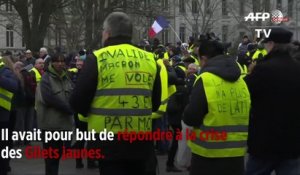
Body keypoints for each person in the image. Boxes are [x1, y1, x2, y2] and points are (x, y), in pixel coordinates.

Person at [70, 12, 161, 175]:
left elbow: (77, 101)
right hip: (140, 142)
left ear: (108, 33)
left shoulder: (97, 58)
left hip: (107, 144)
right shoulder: (150, 59)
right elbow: (155, 103)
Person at [183, 34, 251, 175]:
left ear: (204, 58)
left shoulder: (205, 79)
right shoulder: (241, 81)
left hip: (207, 157)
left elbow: (191, 117)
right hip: (236, 157)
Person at [245, 27, 300, 175]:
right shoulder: (297, 68)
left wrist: (250, 73)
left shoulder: (263, 69)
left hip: (265, 141)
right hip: (292, 141)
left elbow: (247, 92)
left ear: (272, 44)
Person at [35, 53, 73, 175]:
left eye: (62, 61)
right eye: (57, 61)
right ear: (52, 63)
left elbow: (72, 94)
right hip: (49, 125)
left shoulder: (66, 77)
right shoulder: (46, 78)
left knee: (57, 156)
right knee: (51, 158)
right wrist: (69, 108)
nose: (60, 63)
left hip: (63, 124)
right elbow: (48, 98)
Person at [0, 56, 18, 175]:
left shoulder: (4, 70)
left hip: (3, 116)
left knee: (3, 145)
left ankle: (4, 167)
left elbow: (13, 86)